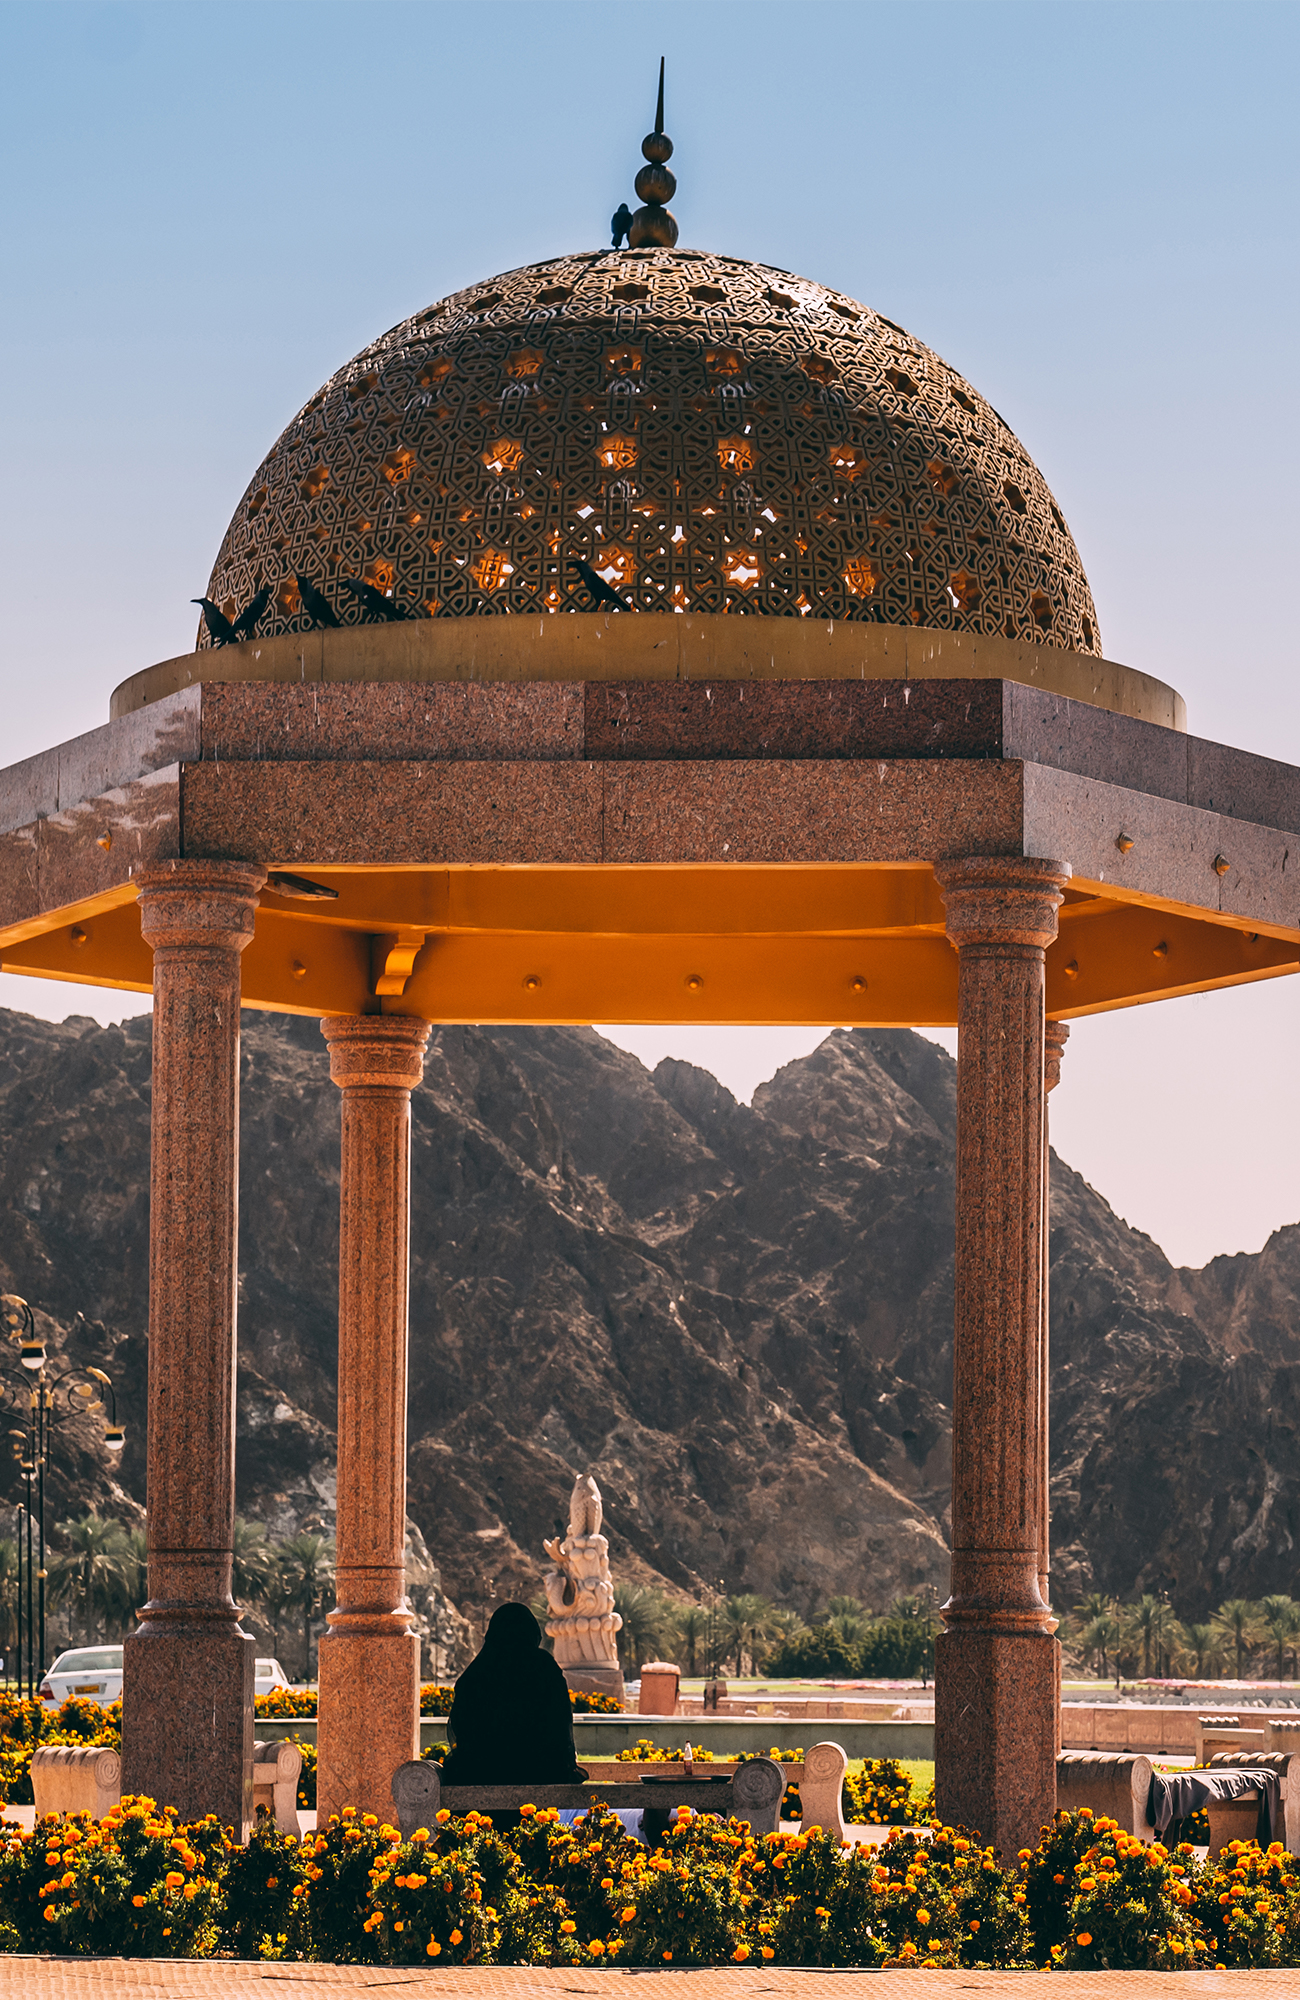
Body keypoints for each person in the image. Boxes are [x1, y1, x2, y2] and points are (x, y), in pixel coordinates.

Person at [440, 1602, 586, 1788]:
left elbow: (462, 1724)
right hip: (540, 1770)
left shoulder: (479, 1671)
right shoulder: (542, 1666)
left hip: (480, 1771)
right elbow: (559, 1719)